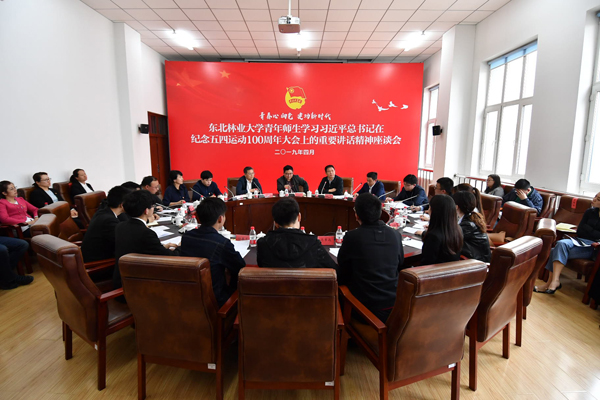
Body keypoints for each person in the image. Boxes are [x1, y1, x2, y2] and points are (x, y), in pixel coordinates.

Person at [338, 193, 404, 323]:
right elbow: (400, 264)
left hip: (365, 310)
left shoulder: (352, 237)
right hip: (394, 307)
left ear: (357, 215)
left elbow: (343, 267)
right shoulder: (395, 235)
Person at [180, 197, 245, 307]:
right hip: (215, 301)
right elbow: (240, 267)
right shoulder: (222, 243)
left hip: (189, 297)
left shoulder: (186, 237)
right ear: (220, 219)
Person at [114, 190, 180, 293]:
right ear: (146, 211)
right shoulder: (146, 233)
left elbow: (140, 248)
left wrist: (162, 247)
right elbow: (168, 257)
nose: (153, 208)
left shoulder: (120, 226)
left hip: (122, 280)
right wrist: (180, 246)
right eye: (152, 206)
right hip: (139, 287)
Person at [535, 192, 600, 294]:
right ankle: (555, 281)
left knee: (554, 251)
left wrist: (588, 229)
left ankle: (549, 284)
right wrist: (593, 232)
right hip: (579, 241)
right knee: (561, 244)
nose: (594, 199)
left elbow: (594, 234)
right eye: (595, 196)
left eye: (598, 199)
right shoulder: (589, 212)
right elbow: (580, 231)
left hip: (593, 247)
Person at [257, 197, 338, 270]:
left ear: (276, 223)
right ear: (299, 217)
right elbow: (334, 271)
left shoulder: (263, 244)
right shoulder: (313, 243)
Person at [81, 186, 131, 263]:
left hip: (97, 256)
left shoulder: (103, 212)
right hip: (99, 264)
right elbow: (123, 243)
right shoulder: (109, 221)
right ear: (122, 205)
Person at [420, 194, 463, 266]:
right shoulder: (458, 229)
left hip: (434, 271)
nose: (428, 211)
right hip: (452, 270)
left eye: (430, 208)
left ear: (435, 211)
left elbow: (425, 263)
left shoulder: (433, 236)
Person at [453, 191, 491, 262]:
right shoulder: (470, 217)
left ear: (456, 207)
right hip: (474, 259)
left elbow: (450, 238)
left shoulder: (468, 225)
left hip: (477, 262)